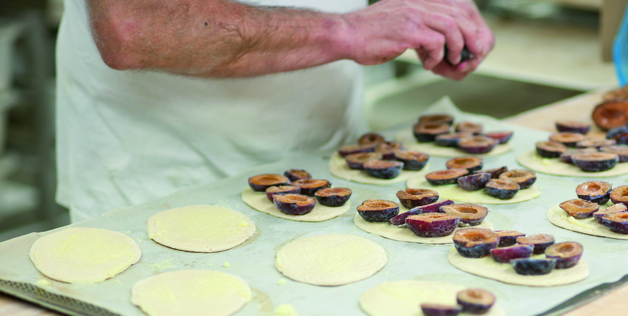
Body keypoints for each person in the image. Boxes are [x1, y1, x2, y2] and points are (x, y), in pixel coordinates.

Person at [56, 0, 494, 221]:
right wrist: (347, 30)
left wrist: (427, 13)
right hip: (164, 178)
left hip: (330, 164)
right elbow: (136, 28)